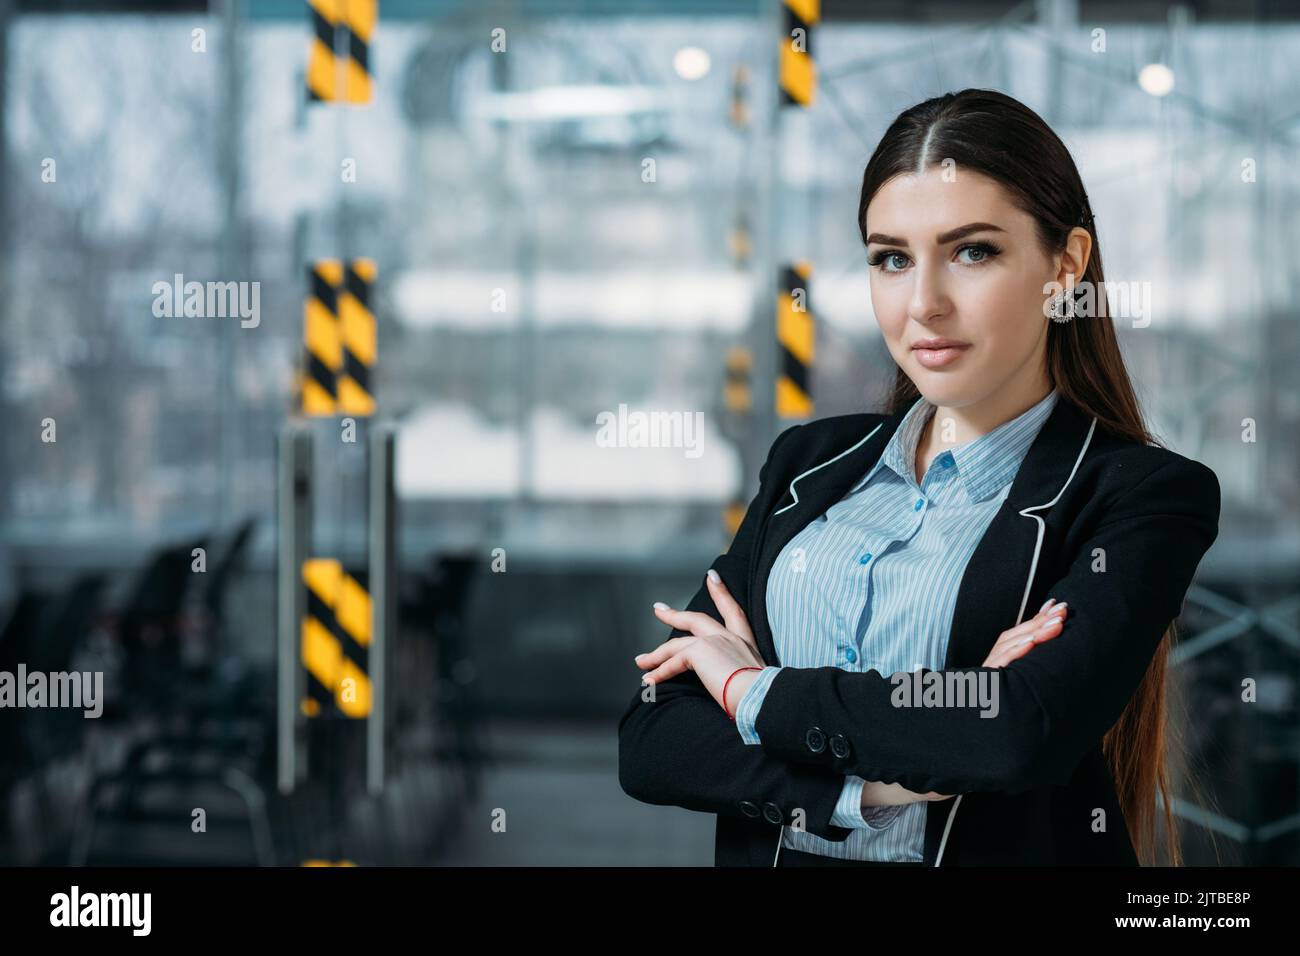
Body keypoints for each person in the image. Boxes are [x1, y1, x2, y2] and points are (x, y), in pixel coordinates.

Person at [618, 88, 1221, 867]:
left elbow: (1014, 731)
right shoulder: (807, 465)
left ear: (1065, 266)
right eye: (891, 259)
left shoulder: (1143, 496)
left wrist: (748, 691)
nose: (924, 304)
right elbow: (653, 736)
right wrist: (886, 779)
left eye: (973, 251)